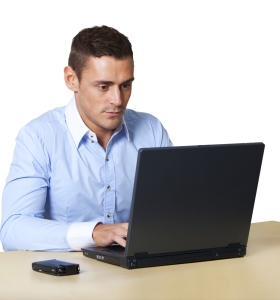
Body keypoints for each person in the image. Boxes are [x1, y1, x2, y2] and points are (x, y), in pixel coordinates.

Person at [0, 26, 172, 251]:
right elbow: (13, 231)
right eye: (103, 86)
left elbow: (173, 213)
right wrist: (93, 233)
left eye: (126, 85)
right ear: (72, 79)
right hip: (67, 279)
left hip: (139, 276)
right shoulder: (39, 137)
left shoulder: (151, 130)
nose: (117, 100)